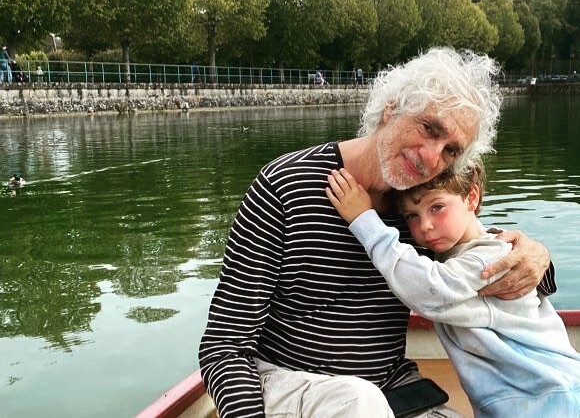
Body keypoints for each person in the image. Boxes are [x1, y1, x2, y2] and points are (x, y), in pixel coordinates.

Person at [199, 47, 554, 418]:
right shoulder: (284, 187)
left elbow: (474, 266)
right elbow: (223, 347)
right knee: (358, 401)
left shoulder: (419, 211)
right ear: (392, 108)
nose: (431, 158)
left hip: (389, 390)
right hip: (289, 385)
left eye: (450, 150)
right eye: (429, 128)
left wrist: (537, 258)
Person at [327, 161, 580, 416]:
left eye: (437, 207)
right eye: (412, 216)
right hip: (528, 398)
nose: (425, 225)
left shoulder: (491, 259)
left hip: (551, 396)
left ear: (471, 197)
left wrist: (364, 221)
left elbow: (426, 290)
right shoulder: (462, 255)